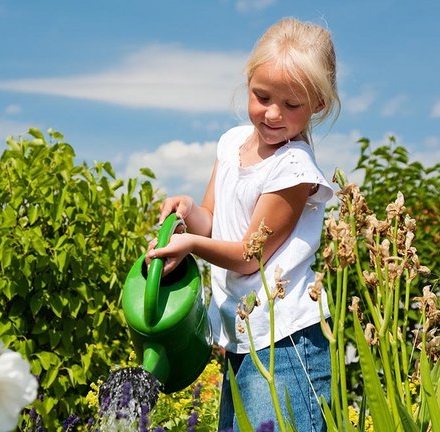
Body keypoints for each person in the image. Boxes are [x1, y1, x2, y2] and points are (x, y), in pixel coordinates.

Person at [147, 17, 339, 432]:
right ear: (248, 81)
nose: (272, 114)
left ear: (318, 105)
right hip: (244, 334)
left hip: (286, 342)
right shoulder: (232, 143)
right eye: (262, 96)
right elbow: (214, 222)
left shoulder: (294, 169)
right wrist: (186, 212)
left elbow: (248, 257)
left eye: (292, 105)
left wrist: (192, 246)